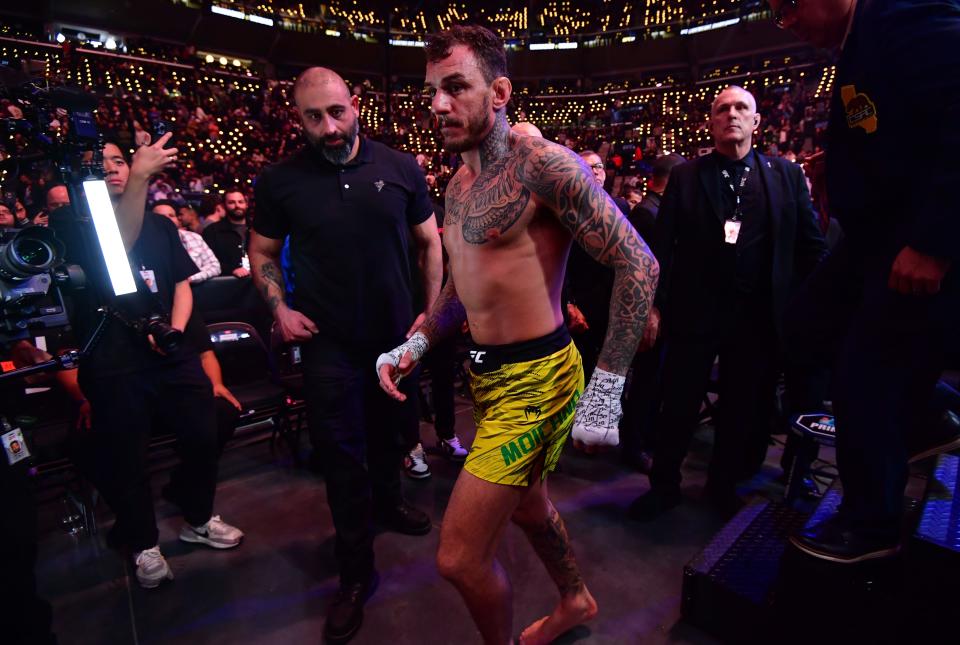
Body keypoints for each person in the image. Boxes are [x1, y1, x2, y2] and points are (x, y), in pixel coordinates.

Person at [376, 25, 658, 645]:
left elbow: (639, 263)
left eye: (456, 87)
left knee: (458, 556)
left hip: (541, 380)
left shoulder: (544, 166)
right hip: (488, 378)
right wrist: (416, 344)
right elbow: (461, 287)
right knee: (530, 506)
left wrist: (607, 388)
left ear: (500, 91)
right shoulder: (455, 185)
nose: (438, 105)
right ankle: (576, 599)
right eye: (431, 92)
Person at [248, 66, 442, 643]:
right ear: (299, 119)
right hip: (327, 341)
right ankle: (355, 574)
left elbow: (430, 242)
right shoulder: (281, 180)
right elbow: (261, 251)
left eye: (336, 112)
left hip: (395, 337)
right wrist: (278, 309)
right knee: (339, 454)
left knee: (392, 436)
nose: (329, 127)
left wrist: (429, 320)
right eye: (314, 117)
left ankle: (389, 504)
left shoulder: (400, 166)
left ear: (355, 104)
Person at [770, 0, 960, 562]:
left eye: (788, 7)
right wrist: (846, 159)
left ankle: (870, 523)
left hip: (915, 237)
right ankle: (931, 413)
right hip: (875, 238)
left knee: (863, 371)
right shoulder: (857, 43)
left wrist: (933, 243)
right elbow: (894, 124)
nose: (789, 22)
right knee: (806, 326)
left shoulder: (904, 17)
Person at [629, 85, 826, 520]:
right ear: (712, 122)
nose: (731, 114)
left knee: (740, 408)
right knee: (678, 404)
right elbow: (663, 248)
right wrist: (653, 307)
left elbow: (810, 249)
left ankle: (721, 486)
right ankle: (664, 485)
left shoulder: (786, 176)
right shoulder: (686, 175)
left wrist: (825, 303)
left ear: (756, 122)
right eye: (723, 109)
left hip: (756, 320)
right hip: (694, 313)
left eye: (741, 108)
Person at [53, 139, 243, 589]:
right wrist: (141, 176)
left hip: (170, 353)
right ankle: (143, 544)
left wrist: (174, 332)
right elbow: (114, 250)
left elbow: (181, 284)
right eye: (103, 166)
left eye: (121, 162)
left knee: (203, 432)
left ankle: (197, 518)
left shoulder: (161, 226)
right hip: (114, 361)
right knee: (127, 457)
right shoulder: (71, 223)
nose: (116, 170)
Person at [152, 200, 221, 283]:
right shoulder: (146, 243)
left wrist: (189, 278)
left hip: (196, 291)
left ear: (177, 219)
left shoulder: (194, 238)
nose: (167, 219)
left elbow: (215, 266)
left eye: (171, 215)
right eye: (161, 216)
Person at [203, 189, 250, 277]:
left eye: (240, 202)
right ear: (224, 205)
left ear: (246, 204)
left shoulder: (256, 228)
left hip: (255, 282)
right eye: (231, 202)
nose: (237, 206)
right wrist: (231, 270)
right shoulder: (212, 231)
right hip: (225, 284)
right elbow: (207, 261)